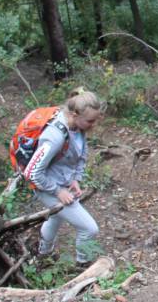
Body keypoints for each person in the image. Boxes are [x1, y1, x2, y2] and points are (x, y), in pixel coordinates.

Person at [25, 90, 105, 267]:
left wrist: (75, 179)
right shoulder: (54, 136)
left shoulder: (77, 127)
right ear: (74, 115)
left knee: (56, 217)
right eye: (90, 121)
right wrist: (58, 191)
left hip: (61, 181)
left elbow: (80, 155)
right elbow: (32, 172)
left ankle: (43, 255)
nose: (93, 125)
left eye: (95, 120)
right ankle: (83, 265)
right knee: (89, 228)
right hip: (46, 186)